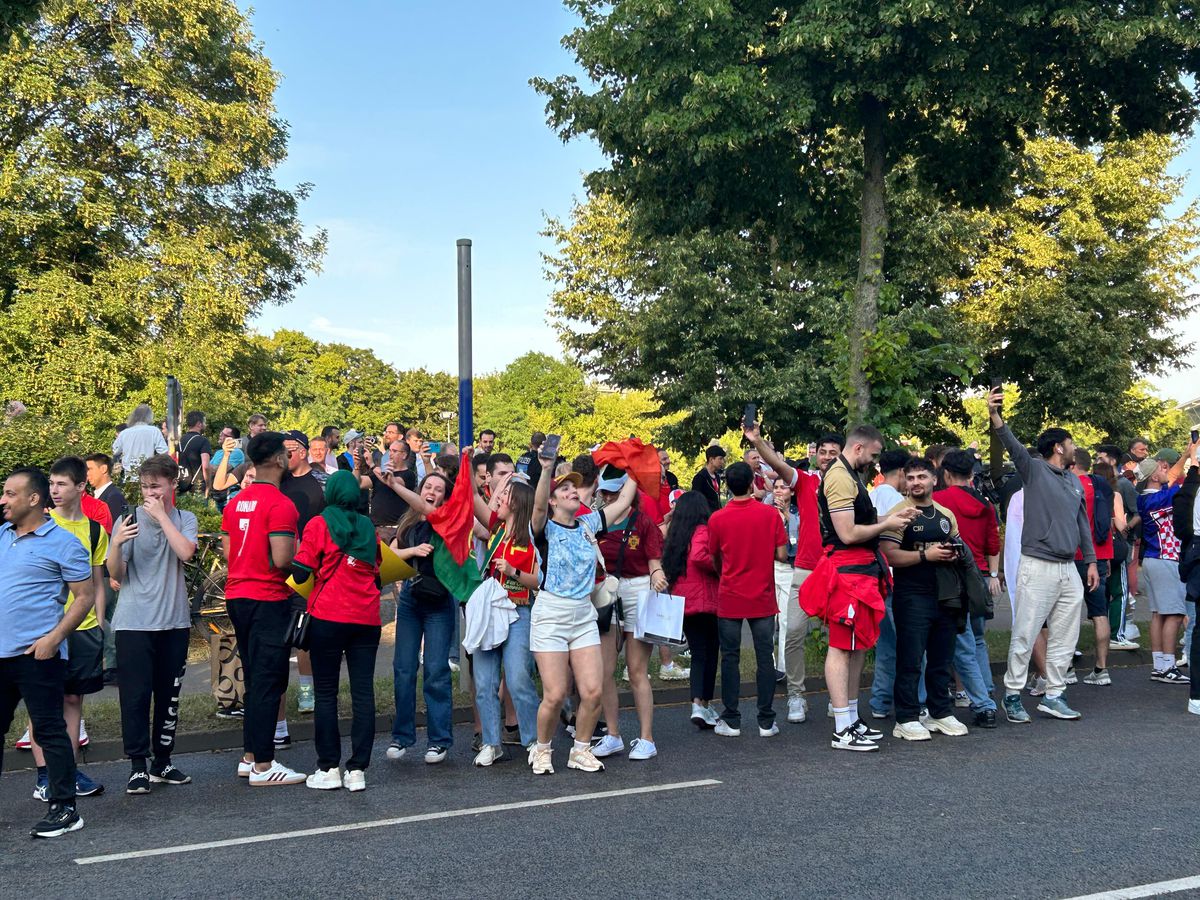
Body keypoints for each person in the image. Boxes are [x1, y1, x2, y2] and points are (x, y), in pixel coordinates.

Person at [801, 425, 918, 751]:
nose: (876, 462)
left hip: (860, 572)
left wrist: (891, 516)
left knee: (857, 645)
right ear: (858, 449)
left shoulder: (848, 475)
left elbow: (858, 522)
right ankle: (842, 727)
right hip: (848, 573)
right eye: (874, 455)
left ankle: (850, 719)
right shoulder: (840, 477)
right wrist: (888, 523)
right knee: (842, 646)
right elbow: (849, 533)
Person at [987, 387, 1098, 724]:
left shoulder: (1074, 482)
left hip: (1069, 569)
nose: (1075, 447)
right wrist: (994, 415)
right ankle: (1012, 694)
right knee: (1025, 631)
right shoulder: (1033, 470)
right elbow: (1012, 444)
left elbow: (1082, 524)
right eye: (1071, 443)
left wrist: (1090, 561)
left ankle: (1054, 695)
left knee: (1067, 634)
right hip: (1037, 565)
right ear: (1057, 448)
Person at [527, 453, 639, 775]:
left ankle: (580, 750)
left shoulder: (589, 523)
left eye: (575, 488)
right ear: (552, 500)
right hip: (550, 615)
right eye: (564, 490)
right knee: (556, 693)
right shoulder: (543, 528)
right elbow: (536, 508)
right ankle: (543, 748)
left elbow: (624, 502)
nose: (573, 492)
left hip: (583, 615)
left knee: (592, 691)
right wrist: (547, 469)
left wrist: (635, 466)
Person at [0, 467, 96, 838]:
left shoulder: (64, 542)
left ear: (34, 499)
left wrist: (54, 638)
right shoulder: (3, 535)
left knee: (49, 730)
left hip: (36, 655)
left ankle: (65, 809)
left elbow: (84, 597)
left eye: (10, 494)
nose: (3, 500)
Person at [107, 454, 198, 794]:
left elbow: (185, 552)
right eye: (145, 487)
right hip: (134, 622)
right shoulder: (129, 519)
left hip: (174, 622)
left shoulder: (184, 518)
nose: (149, 493)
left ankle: (163, 761)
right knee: (134, 696)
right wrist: (116, 544)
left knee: (168, 695)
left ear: (173, 485)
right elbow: (116, 574)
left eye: (156, 487)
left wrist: (162, 516)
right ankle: (137, 766)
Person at [221, 432, 307, 786]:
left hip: (237, 594)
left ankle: (250, 756)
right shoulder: (281, 504)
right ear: (276, 460)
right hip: (268, 598)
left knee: (256, 677)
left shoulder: (235, 501)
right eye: (285, 453)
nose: (289, 458)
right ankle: (264, 765)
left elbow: (228, 553)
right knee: (270, 679)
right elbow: (282, 559)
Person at [742, 425, 845, 725]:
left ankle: (836, 697)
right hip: (806, 568)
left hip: (839, 568)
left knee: (839, 637)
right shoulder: (807, 481)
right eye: (822, 452)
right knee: (793, 632)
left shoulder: (851, 484)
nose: (826, 457)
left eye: (833, 453)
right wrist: (757, 441)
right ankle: (796, 695)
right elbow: (777, 465)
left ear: (842, 457)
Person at [291, 471, 383, 792]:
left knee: (326, 694)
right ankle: (357, 770)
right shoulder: (368, 526)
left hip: (328, 616)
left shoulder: (318, 524)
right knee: (363, 693)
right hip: (367, 618)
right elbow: (378, 570)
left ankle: (328, 767)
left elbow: (301, 573)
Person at [27, 457, 108, 800]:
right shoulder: (41, 527)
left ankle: (69, 772)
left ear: (80, 487)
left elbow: (97, 581)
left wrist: (101, 623)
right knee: (44, 703)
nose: (54, 490)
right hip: (47, 629)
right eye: (51, 484)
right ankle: (46, 776)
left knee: (73, 700)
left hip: (85, 629)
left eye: (62, 484)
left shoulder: (94, 530)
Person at [881, 458, 970, 741]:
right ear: (904, 482)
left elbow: (959, 545)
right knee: (910, 659)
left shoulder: (945, 514)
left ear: (935, 479)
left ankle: (939, 712)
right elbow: (889, 556)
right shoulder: (898, 513)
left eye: (921, 476)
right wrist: (924, 555)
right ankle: (906, 718)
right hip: (911, 596)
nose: (916, 482)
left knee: (942, 659)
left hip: (945, 596)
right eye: (910, 478)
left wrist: (954, 553)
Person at [707, 461, 788, 738]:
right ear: (753, 484)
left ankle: (731, 718)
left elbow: (714, 556)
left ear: (728, 486)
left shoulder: (717, 518)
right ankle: (766, 720)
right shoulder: (769, 515)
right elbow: (781, 554)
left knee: (730, 657)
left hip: (730, 594)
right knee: (765, 658)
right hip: (762, 594)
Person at [591, 465, 667, 762]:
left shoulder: (643, 522)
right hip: (606, 593)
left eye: (613, 493)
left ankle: (647, 738)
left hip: (638, 592)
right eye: (604, 493)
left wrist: (658, 574)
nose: (608, 498)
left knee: (636, 670)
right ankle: (613, 734)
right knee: (605, 670)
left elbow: (653, 560)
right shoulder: (596, 522)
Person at [383, 471, 457, 764]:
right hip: (411, 601)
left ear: (444, 497)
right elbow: (391, 554)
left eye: (439, 489)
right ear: (420, 489)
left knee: (436, 671)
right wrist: (411, 551)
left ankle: (439, 740)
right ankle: (402, 737)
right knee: (403, 669)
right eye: (428, 486)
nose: (432, 492)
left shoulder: (447, 520)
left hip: (438, 602)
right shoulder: (408, 522)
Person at [470, 478, 541, 766]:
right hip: (491, 611)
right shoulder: (493, 529)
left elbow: (537, 581)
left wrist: (513, 571)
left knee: (518, 677)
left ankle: (535, 740)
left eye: (505, 495)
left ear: (518, 503)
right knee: (485, 681)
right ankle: (491, 742)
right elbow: (473, 497)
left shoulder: (533, 535)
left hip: (519, 610)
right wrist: (470, 463)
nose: (498, 498)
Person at [934, 449, 1002, 726]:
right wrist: (994, 574)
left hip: (953, 577)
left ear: (946, 474)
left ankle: (983, 704)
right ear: (972, 475)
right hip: (981, 576)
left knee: (961, 645)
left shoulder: (938, 501)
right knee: (977, 640)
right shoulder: (985, 504)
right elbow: (992, 543)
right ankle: (986, 690)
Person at [662, 491, 720, 728]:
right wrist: (720, 566)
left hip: (683, 602)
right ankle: (702, 702)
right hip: (706, 600)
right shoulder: (703, 531)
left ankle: (700, 703)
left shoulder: (675, 535)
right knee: (710, 653)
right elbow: (699, 557)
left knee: (698, 653)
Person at [1136, 446, 1194, 684]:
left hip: (1152, 559)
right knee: (1175, 614)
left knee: (1158, 614)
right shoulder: (1158, 497)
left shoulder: (1145, 499)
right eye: (1161, 468)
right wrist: (1187, 456)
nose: (1165, 469)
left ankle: (1159, 664)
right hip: (1165, 558)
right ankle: (1168, 666)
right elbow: (1174, 481)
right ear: (1154, 476)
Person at [865, 449, 910, 721]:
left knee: (885, 646)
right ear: (903, 472)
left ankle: (880, 701)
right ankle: (917, 700)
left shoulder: (871, 495)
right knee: (911, 644)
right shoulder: (900, 503)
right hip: (897, 576)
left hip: (875, 577)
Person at [1067, 450, 1117, 685]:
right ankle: (1101, 669)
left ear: (1072, 463)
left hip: (1074, 556)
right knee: (1099, 613)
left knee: (1067, 613)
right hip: (1099, 555)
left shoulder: (1070, 486)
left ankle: (1066, 667)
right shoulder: (1101, 486)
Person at [1096, 444, 1141, 650]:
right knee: (1120, 591)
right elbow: (1122, 524)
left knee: (1101, 593)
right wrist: (1122, 524)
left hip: (1096, 548)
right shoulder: (1115, 494)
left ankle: (1102, 635)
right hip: (1114, 547)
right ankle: (1116, 634)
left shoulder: (1089, 491)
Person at [111, 403, 168, 478]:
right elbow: (164, 452)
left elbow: (115, 450)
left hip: (129, 476)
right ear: (149, 417)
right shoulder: (154, 431)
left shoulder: (124, 433)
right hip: (148, 475)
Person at [209, 430, 246, 512]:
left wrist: (211, 468)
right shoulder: (218, 452)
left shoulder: (237, 452)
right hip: (217, 494)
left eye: (224, 434)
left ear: (232, 439)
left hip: (230, 496)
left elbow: (217, 470)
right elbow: (208, 470)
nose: (220, 435)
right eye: (220, 432)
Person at [177, 410, 211, 494]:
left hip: (179, 485)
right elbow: (205, 466)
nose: (205, 425)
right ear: (199, 424)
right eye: (204, 422)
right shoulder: (203, 441)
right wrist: (208, 485)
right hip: (197, 486)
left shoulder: (178, 440)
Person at [691, 445, 726, 513]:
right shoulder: (700, 478)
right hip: (705, 517)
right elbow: (696, 501)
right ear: (711, 460)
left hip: (716, 514)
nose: (722, 462)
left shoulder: (717, 477)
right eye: (720, 459)